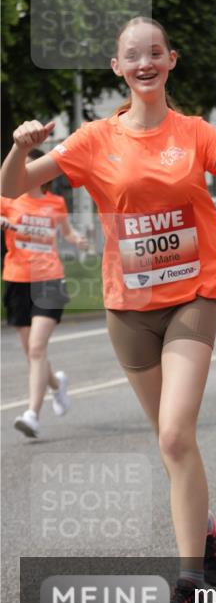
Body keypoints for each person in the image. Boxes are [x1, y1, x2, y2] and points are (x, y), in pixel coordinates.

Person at [1, 16, 216, 603]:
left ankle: (188, 586)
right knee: (169, 444)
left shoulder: (197, 134)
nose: (145, 62)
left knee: (177, 434)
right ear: (117, 67)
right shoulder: (94, 138)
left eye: (156, 52)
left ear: (171, 60)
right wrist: (20, 148)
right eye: (133, 55)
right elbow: (16, 188)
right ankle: (203, 531)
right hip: (127, 307)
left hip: (191, 299)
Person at [1, 149, 87, 438]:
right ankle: (55, 383)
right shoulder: (8, 200)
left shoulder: (56, 203)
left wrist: (79, 240)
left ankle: (32, 414)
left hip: (49, 280)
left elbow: (67, 233)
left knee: (37, 349)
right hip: (17, 280)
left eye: (30, 167)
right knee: (32, 353)